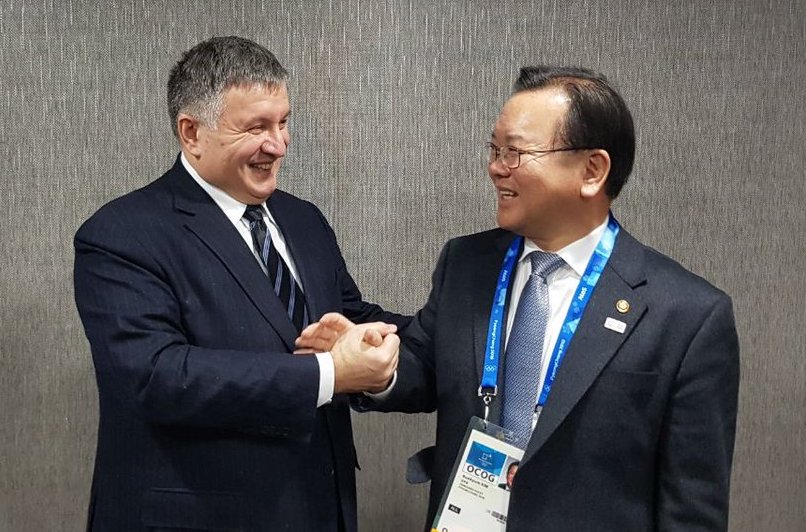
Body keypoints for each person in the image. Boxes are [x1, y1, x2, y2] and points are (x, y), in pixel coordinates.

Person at [298, 66, 740, 531]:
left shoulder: (687, 316)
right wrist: (378, 364)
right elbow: (429, 367)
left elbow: (693, 507)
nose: (496, 167)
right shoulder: (466, 263)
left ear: (592, 171)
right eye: (495, 150)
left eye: (515, 152)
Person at [73, 36, 408, 532]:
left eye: (283, 122)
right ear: (191, 133)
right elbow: (156, 376)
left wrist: (444, 327)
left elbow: (348, 316)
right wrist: (330, 373)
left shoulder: (304, 219)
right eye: (256, 127)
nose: (279, 144)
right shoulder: (120, 234)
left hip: (317, 508)